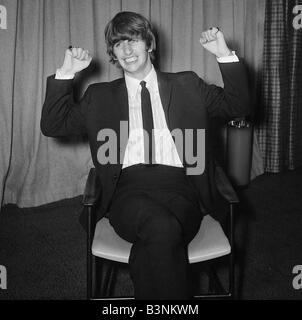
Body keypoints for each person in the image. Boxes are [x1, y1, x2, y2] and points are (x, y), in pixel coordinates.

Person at [41, 11, 250, 299]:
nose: (126, 50)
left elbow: (239, 106)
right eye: (118, 44)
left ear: (149, 44)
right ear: (112, 53)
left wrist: (224, 54)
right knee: (162, 229)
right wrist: (66, 72)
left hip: (183, 190)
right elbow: (53, 125)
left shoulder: (187, 84)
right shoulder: (99, 96)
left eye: (133, 40)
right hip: (127, 192)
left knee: (155, 240)